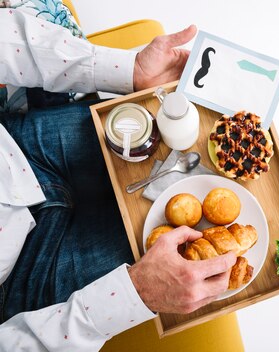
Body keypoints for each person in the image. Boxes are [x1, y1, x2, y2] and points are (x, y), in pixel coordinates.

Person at [0, 5, 236, 351]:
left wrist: (129, 70)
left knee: (203, 161)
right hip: (22, 280)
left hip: (17, 149)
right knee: (195, 249)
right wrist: (133, 295)